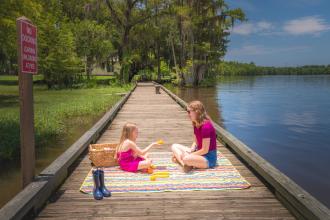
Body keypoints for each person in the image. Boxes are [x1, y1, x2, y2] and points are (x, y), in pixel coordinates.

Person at [171, 100, 217, 172]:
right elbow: (196, 142)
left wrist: (190, 154)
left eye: (189, 112)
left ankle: (185, 162)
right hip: (199, 152)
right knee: (174, 146)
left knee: (185, 158)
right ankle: (185, 164)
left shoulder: (206, 126)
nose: (188, 114)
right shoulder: (195, 124)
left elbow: (205, 150)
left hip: (208, 158)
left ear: (197, 112)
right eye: (187, 111)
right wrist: (192, 149)